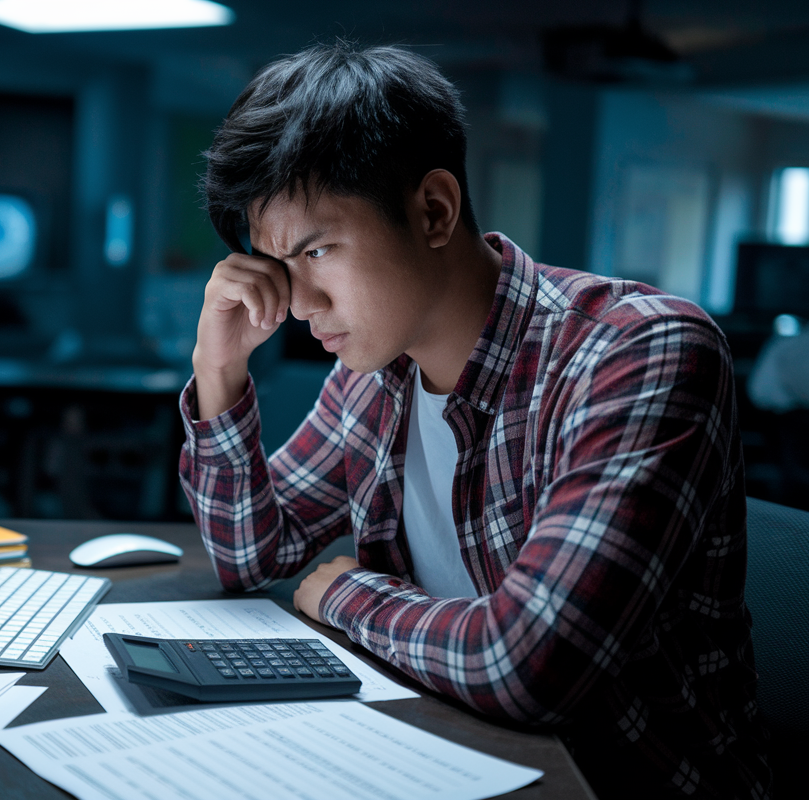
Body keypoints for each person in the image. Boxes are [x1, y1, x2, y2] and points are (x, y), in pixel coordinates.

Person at [178, 42, 770, 799]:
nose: (298, 305)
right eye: (279, 268)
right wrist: (218, 368)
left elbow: (527, 666)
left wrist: (345, 594)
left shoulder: (637, 350)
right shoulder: (372, 371)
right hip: (438, 756)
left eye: (318, 250)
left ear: (433, 210)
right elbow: (247, 555)